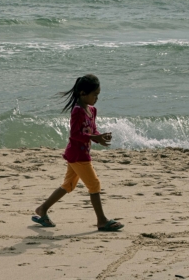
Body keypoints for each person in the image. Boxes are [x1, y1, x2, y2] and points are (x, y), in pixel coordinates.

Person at [31, 74, 124, 231]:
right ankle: (101, 220)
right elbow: (74, 134)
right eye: (95, 94)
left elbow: (92, 130)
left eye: (98, 95)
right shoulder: (77, 111)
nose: (97, 98)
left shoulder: (92, 110)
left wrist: (99, 137)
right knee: (94, 184)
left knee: (68, 185)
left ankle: (42, 209)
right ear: (83, 93)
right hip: (77, 155)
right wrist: (94, 137)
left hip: (80, 154)